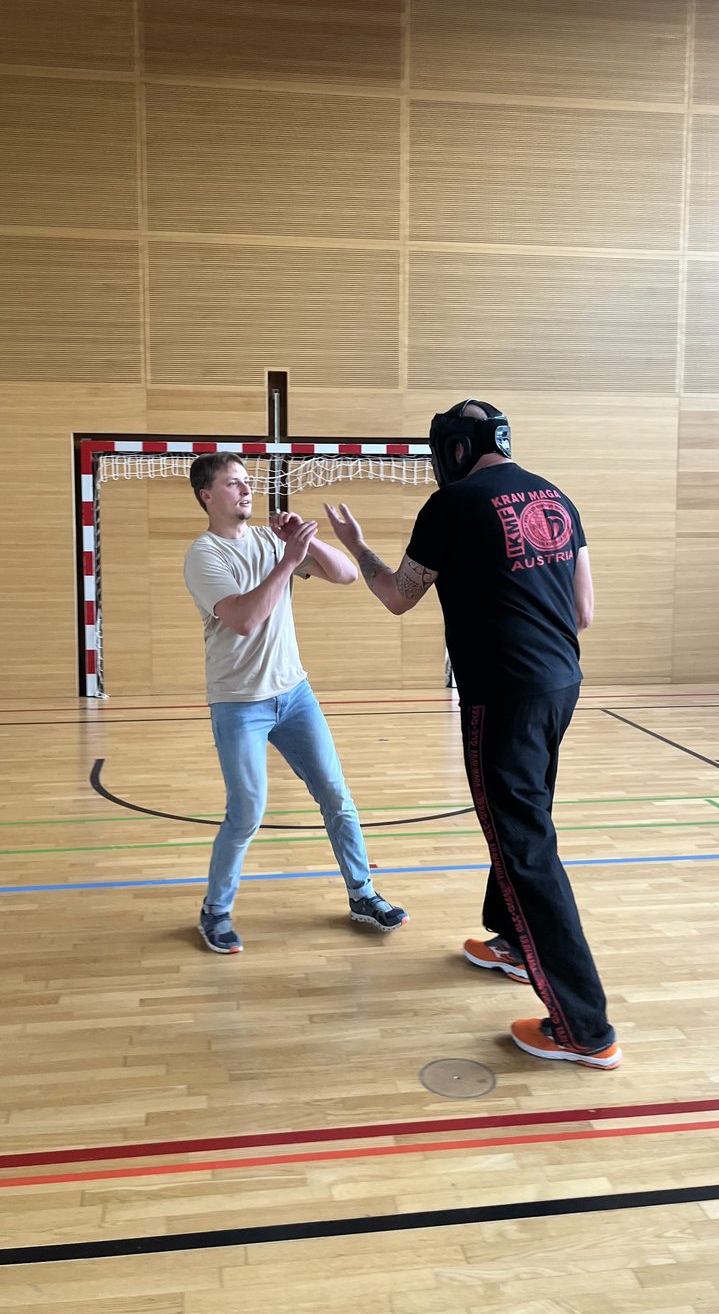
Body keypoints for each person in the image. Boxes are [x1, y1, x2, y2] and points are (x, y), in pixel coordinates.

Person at [324, 401, 620, 1069]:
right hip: (560, 686)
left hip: (502, 694)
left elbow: (397, 595)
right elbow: (584, 611)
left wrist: (358, 547)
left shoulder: (452, 506)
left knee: (524, 846)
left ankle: (584, 1027)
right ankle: (514, 943)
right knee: (526, 823)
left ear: (454, 449)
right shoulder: (556, 498)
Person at [183, 452, 408, 954]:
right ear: (207, 496)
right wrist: (287, 562)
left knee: (337, 796)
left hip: (294, 694)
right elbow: (244, 620)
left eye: (247, 481)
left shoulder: (269, 541)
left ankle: (362, 894)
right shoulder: (204, 555)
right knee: (247, 811)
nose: (246, 490)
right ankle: (215, 911)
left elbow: (346, 575)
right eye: (233, 483)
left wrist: (303, 543)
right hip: (239, 702)